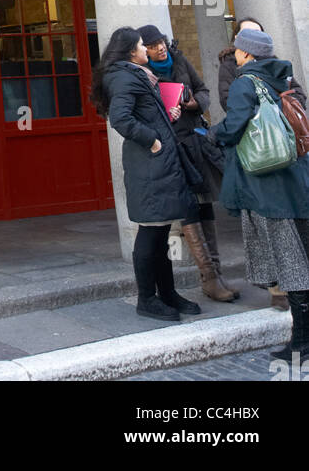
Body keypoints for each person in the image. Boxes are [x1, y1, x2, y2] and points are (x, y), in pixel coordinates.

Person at [91, 26, 202, 321]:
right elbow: (122, 119)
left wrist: (167, 115)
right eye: (142, 45)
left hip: (159, 163)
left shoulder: (135, 75)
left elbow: (141, 113)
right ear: (131, 51)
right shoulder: (125, 78)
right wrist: (153, 140)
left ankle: (168, 293)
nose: (146, 50)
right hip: (149, 163)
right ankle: (147, 298)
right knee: (150, 232)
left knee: (162, 230)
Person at [212, 27, 309, 363]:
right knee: (303, 257)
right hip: (297, 181)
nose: (235, 53)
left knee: (292, 265)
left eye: (238, 49)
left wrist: (213, 133)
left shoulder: (245, 83)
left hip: (269, 188)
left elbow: (234, 126)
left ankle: (301, 343)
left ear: (247, 53)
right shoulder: (285, 79)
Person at [139, 24, 237, 302]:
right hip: (172, 147)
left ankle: (216, 274)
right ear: (143, 50)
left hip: (195, 142)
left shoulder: (180, 60)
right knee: (188, 208)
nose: (159, 48)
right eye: (152, 45)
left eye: (160, 42)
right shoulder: (144, 76)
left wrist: (194, 103)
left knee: (205, 206)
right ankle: (207, 276)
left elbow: (204, 91)